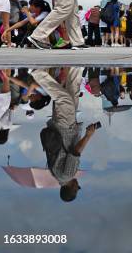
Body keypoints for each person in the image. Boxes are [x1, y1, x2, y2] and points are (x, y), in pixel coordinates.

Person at [32, 67, 98, 203]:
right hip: (58, 128)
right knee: (72, 92)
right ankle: (76, 67)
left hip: (65, 128)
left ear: (71, 189)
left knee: (64, 99)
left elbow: (74, 153)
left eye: (76, 188)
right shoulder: (55, 174)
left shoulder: (67, 175)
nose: (77, 185)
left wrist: (88, 135)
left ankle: (38, 74)